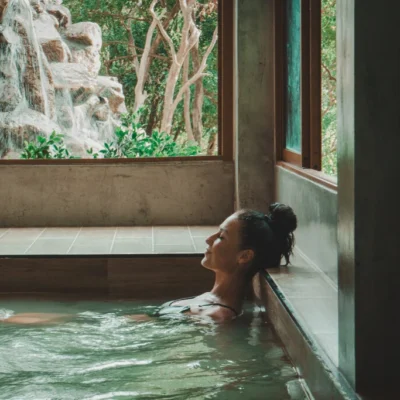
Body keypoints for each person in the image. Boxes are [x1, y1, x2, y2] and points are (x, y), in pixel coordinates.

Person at [2, 203, 297, 324]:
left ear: (244, 256)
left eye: (221, 237)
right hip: (110, 327)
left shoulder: (217, 316)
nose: (208, 240)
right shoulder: (209, 303)